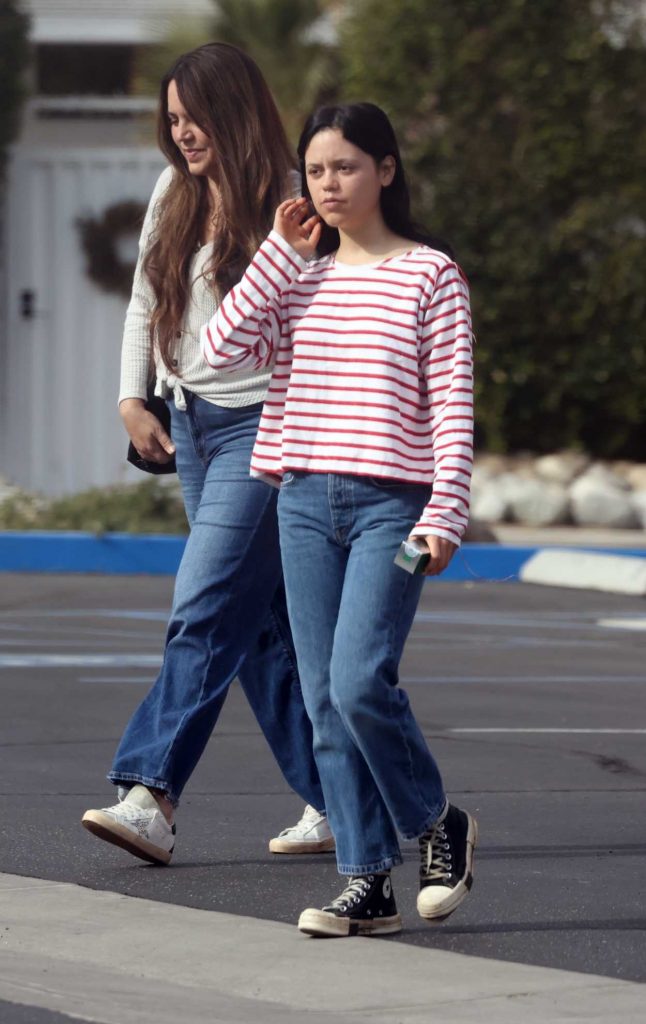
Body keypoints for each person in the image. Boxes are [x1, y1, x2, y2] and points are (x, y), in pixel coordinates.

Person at [202, 102, 477, 936]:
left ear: (386, 170)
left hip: (393, 510)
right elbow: (218, 353)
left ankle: (436, 822)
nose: (329, 185)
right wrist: (278, 254)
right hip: (303, 502)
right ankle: (367, 882)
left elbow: (453, 406)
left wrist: (446, 512)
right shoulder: (297, 274)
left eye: (346, 167)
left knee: (359, 680)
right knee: (323, 698)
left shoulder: (432, 274)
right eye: (316, 170)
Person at [81, 43, 333, 865]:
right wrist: (133, 396)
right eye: (174, 120)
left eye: (194, 118)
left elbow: (304, 333)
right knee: (256, 627)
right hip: (189, 424)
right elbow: (146, 298)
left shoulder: (293, 203)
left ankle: (151, 794)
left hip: (267, 426)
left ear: (234, 111)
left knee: (204, 600)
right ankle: (343, 798)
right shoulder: (174, 190)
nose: (182, 134)